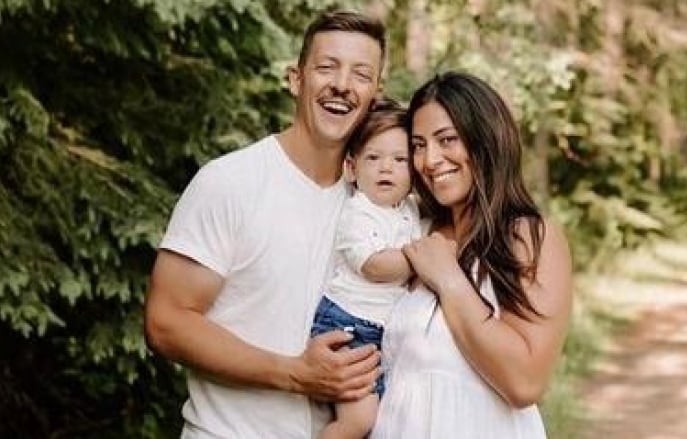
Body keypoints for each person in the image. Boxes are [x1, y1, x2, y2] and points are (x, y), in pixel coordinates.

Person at [144, 10, 387, 438]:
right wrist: (293, 373)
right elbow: (166, 323)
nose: (342, 85)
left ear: (375, 94)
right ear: (295, 79)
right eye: (327, 67)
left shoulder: (373, 205)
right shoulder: (231, 182)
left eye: (360, 74)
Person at [371, 71, 573, 438]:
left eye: (446, 139)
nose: (429, 160)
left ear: (486, 139)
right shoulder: (416, 231)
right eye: (418, 145)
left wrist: (449, 281)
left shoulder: (528, 236)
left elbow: (524, 382)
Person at [309, 99, 422, 439]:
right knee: (358, 421)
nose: (386, 168)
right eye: (373, 158)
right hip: (348, 327)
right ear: (351, 168)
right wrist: (425, 259)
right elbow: (375, 267)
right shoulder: (357, 213)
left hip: (380, 332)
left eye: (400, 160)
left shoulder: (409, 209)